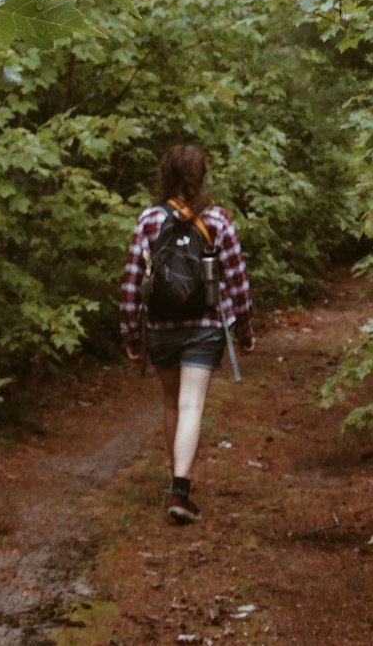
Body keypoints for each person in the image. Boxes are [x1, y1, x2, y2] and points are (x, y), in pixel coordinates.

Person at [120, 144, 255, 525]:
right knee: (192, 404)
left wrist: (131, 332)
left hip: (161, 327)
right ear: (202, 176)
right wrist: (245, 329)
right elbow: (238, 280)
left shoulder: (148, 220)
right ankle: (181, 489)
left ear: (165, 175)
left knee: (171, 401)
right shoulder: (217, 220)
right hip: (205, 327)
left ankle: (175, 479)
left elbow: (132, 281)